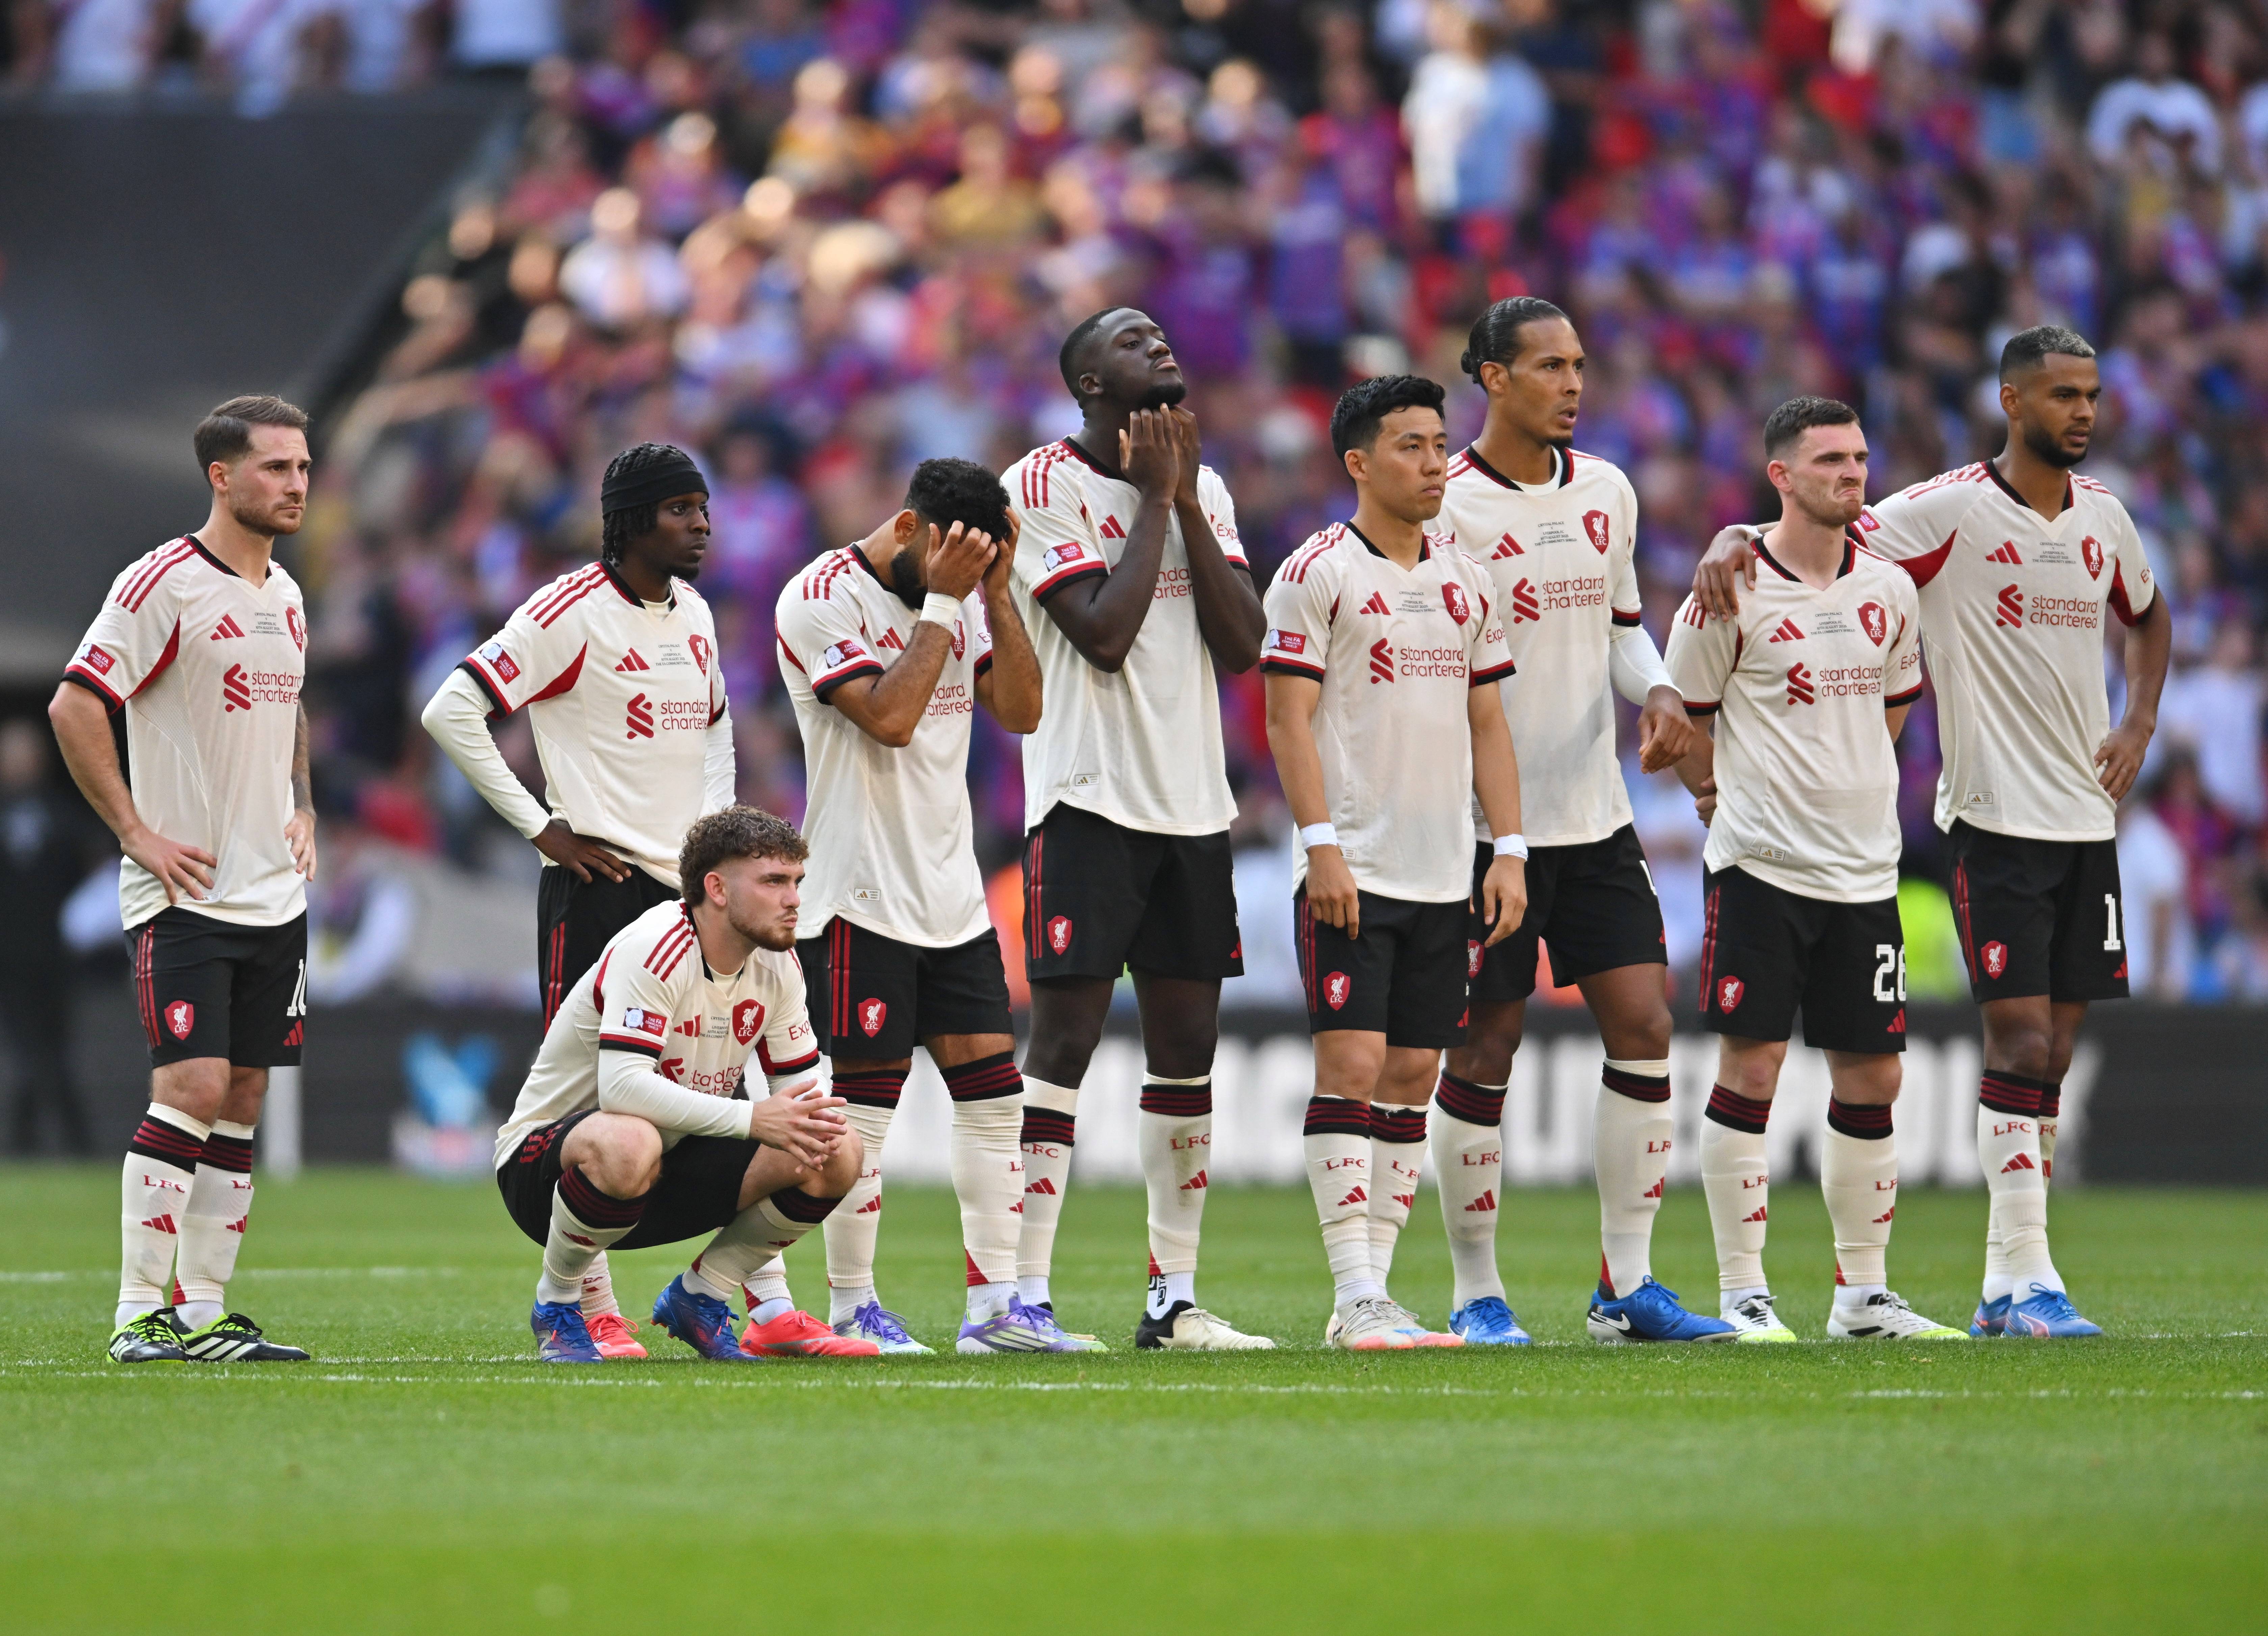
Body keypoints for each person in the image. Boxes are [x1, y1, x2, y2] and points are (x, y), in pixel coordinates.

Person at [1693, 326, 2173, 1339]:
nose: (2081, 411)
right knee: (2021, 1038)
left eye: (2090, 394)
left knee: (2053, 1055)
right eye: (2060, 395)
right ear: (2010, 401)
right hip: (1992, 815)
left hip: (2085, 819)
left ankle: (2001, 1282)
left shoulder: (2105, 519)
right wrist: (1729, 537)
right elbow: (1816, 531)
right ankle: (2029, 1275)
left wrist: (2135, 721)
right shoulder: (1943, 512)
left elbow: (2147, 612)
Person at [1432, 298, 1728, 1346]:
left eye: (1579, 365)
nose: (1572, 383)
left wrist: (1657, 692)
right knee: (1483, 1049)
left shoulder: (1606, 489)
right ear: (1491, 379)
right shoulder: (1445, 503)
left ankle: (1626, 1287)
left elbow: (1619, 626)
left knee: (1645, 1025)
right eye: (1548, 366)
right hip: (1478, 830)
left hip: (1594, 816)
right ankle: (1475, 1289)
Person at [421, 441, 735, 1358]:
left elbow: (715, 730)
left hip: (685, 891)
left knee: (714, 1077)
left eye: (704, 507)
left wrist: (713, 841)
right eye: (681, 509)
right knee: (597, 1097)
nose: (702, 525)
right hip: (598, 884)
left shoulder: (697, 614)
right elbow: (452, 708)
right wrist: (537, 826)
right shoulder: (569, 610)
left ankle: (729, 1293)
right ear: (632, 521)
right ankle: (585, 1300)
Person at [1001, 308, 1274, 1351]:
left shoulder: (1205, 486)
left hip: (1191, 803)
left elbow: (1243, 641)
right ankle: (1024, 1296)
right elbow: (1104, 634)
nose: (1157, 344)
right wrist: (1157, 498)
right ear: (1087, 385)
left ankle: (1174, 1296)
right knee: (1064, 1042)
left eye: (1158, 334)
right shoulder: (1041, 485)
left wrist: (1187, 504)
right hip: (1086, 798)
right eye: (1128, 341)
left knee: (1186, 1050)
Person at [1664, 397, 1964, 1342]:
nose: (1852, 473)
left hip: (1863, 874)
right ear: (1781, 476)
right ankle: (1743, 1290)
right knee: (1750, 1068)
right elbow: (1681, 718)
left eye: (1860, 457)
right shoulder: (1727, 585)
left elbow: (1891, 710)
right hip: (1760, 868)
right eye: (1829, 459)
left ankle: (1861, 1296)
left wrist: (1849, 784)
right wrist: (1719, 800)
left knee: (1871, 1077)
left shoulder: (1888, 589)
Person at [49, 395, 320, 1364]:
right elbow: (76, 704)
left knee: (243, 1094)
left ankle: (205, 1312)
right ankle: (137, 1316)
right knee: (193, 1085)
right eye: (276, 469)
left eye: (302, 467)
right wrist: (136, 831)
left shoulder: (285, 593)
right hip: (188, 893)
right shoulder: (163, 583)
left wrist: (304, 802)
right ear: (221, 476)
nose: (296, 484)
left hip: (273, 893)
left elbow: (290, 703)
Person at [1260, 374, 1524, 1351]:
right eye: (1409, 445)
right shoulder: (1316, 571)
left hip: (1443, 867)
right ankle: (1360, 1290)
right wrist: (1319, 844)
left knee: (1414, 1068)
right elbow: (1285, 718)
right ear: (1359, 463)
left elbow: (1487, 722)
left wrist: (1509, 851)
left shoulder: (1467, 576)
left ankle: (1365, 1299)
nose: (1433, 462)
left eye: (1438, 442)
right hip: (1354, 864)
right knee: (1354, 1061)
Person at [775, 458, 1059, 1354]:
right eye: (950, 562)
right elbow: (890, 719)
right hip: (856, 893)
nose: (961, 579)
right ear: (908, 529)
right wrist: (942, 604)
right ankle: (854, 1304)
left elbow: (1020, 708)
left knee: (992, 1102)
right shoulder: (819, 597)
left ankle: (995, 1310)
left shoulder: (970, 590)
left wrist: (997, 596)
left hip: (952, 893)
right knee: (864, 1113)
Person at [492, 806, 876, 1363]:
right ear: (716, 889)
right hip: (546, 1169)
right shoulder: (656, 946)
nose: (793, 899)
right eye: (773, 882)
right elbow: (622, 1090)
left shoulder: (779, 966)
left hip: (666, 1167)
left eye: (796, 882)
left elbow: (804, 1104)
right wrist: (753, 1119)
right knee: (631, 1140)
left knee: (835, 1150)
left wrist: (799, 1124)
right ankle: (557, 1304)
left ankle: (702, 1297)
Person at [0, 720, 96, 1156]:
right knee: (26, 1051)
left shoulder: (63, 815)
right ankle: (30, 1142)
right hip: (8, 953)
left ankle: (69, 1144)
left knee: (55, 1049)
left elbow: (94, 874)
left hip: (53, 953)